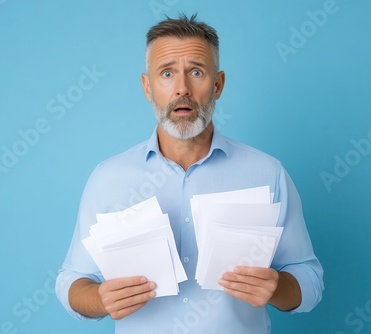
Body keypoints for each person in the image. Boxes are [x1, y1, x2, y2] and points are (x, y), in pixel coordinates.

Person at [56, 14, 324, 333]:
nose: (182, 88)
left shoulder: (267, 173)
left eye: (196, 71)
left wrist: (277, 288)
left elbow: (309, 279)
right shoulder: (108, 178)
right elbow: (71, 281)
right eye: (167, 73)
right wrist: (100, 299)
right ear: (147, 86)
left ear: (218, 84)